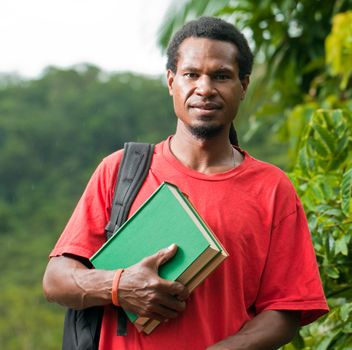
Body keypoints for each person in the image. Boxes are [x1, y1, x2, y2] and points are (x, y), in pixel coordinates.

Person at [43, 16, 328, 350]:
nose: (205, 89)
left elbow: (285, 310)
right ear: (171, 82)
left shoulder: (271, 188)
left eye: (221, 76)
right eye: (192, 74)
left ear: (244, 86)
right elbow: (56, 279)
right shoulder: (120, 171)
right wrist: (120, 285)